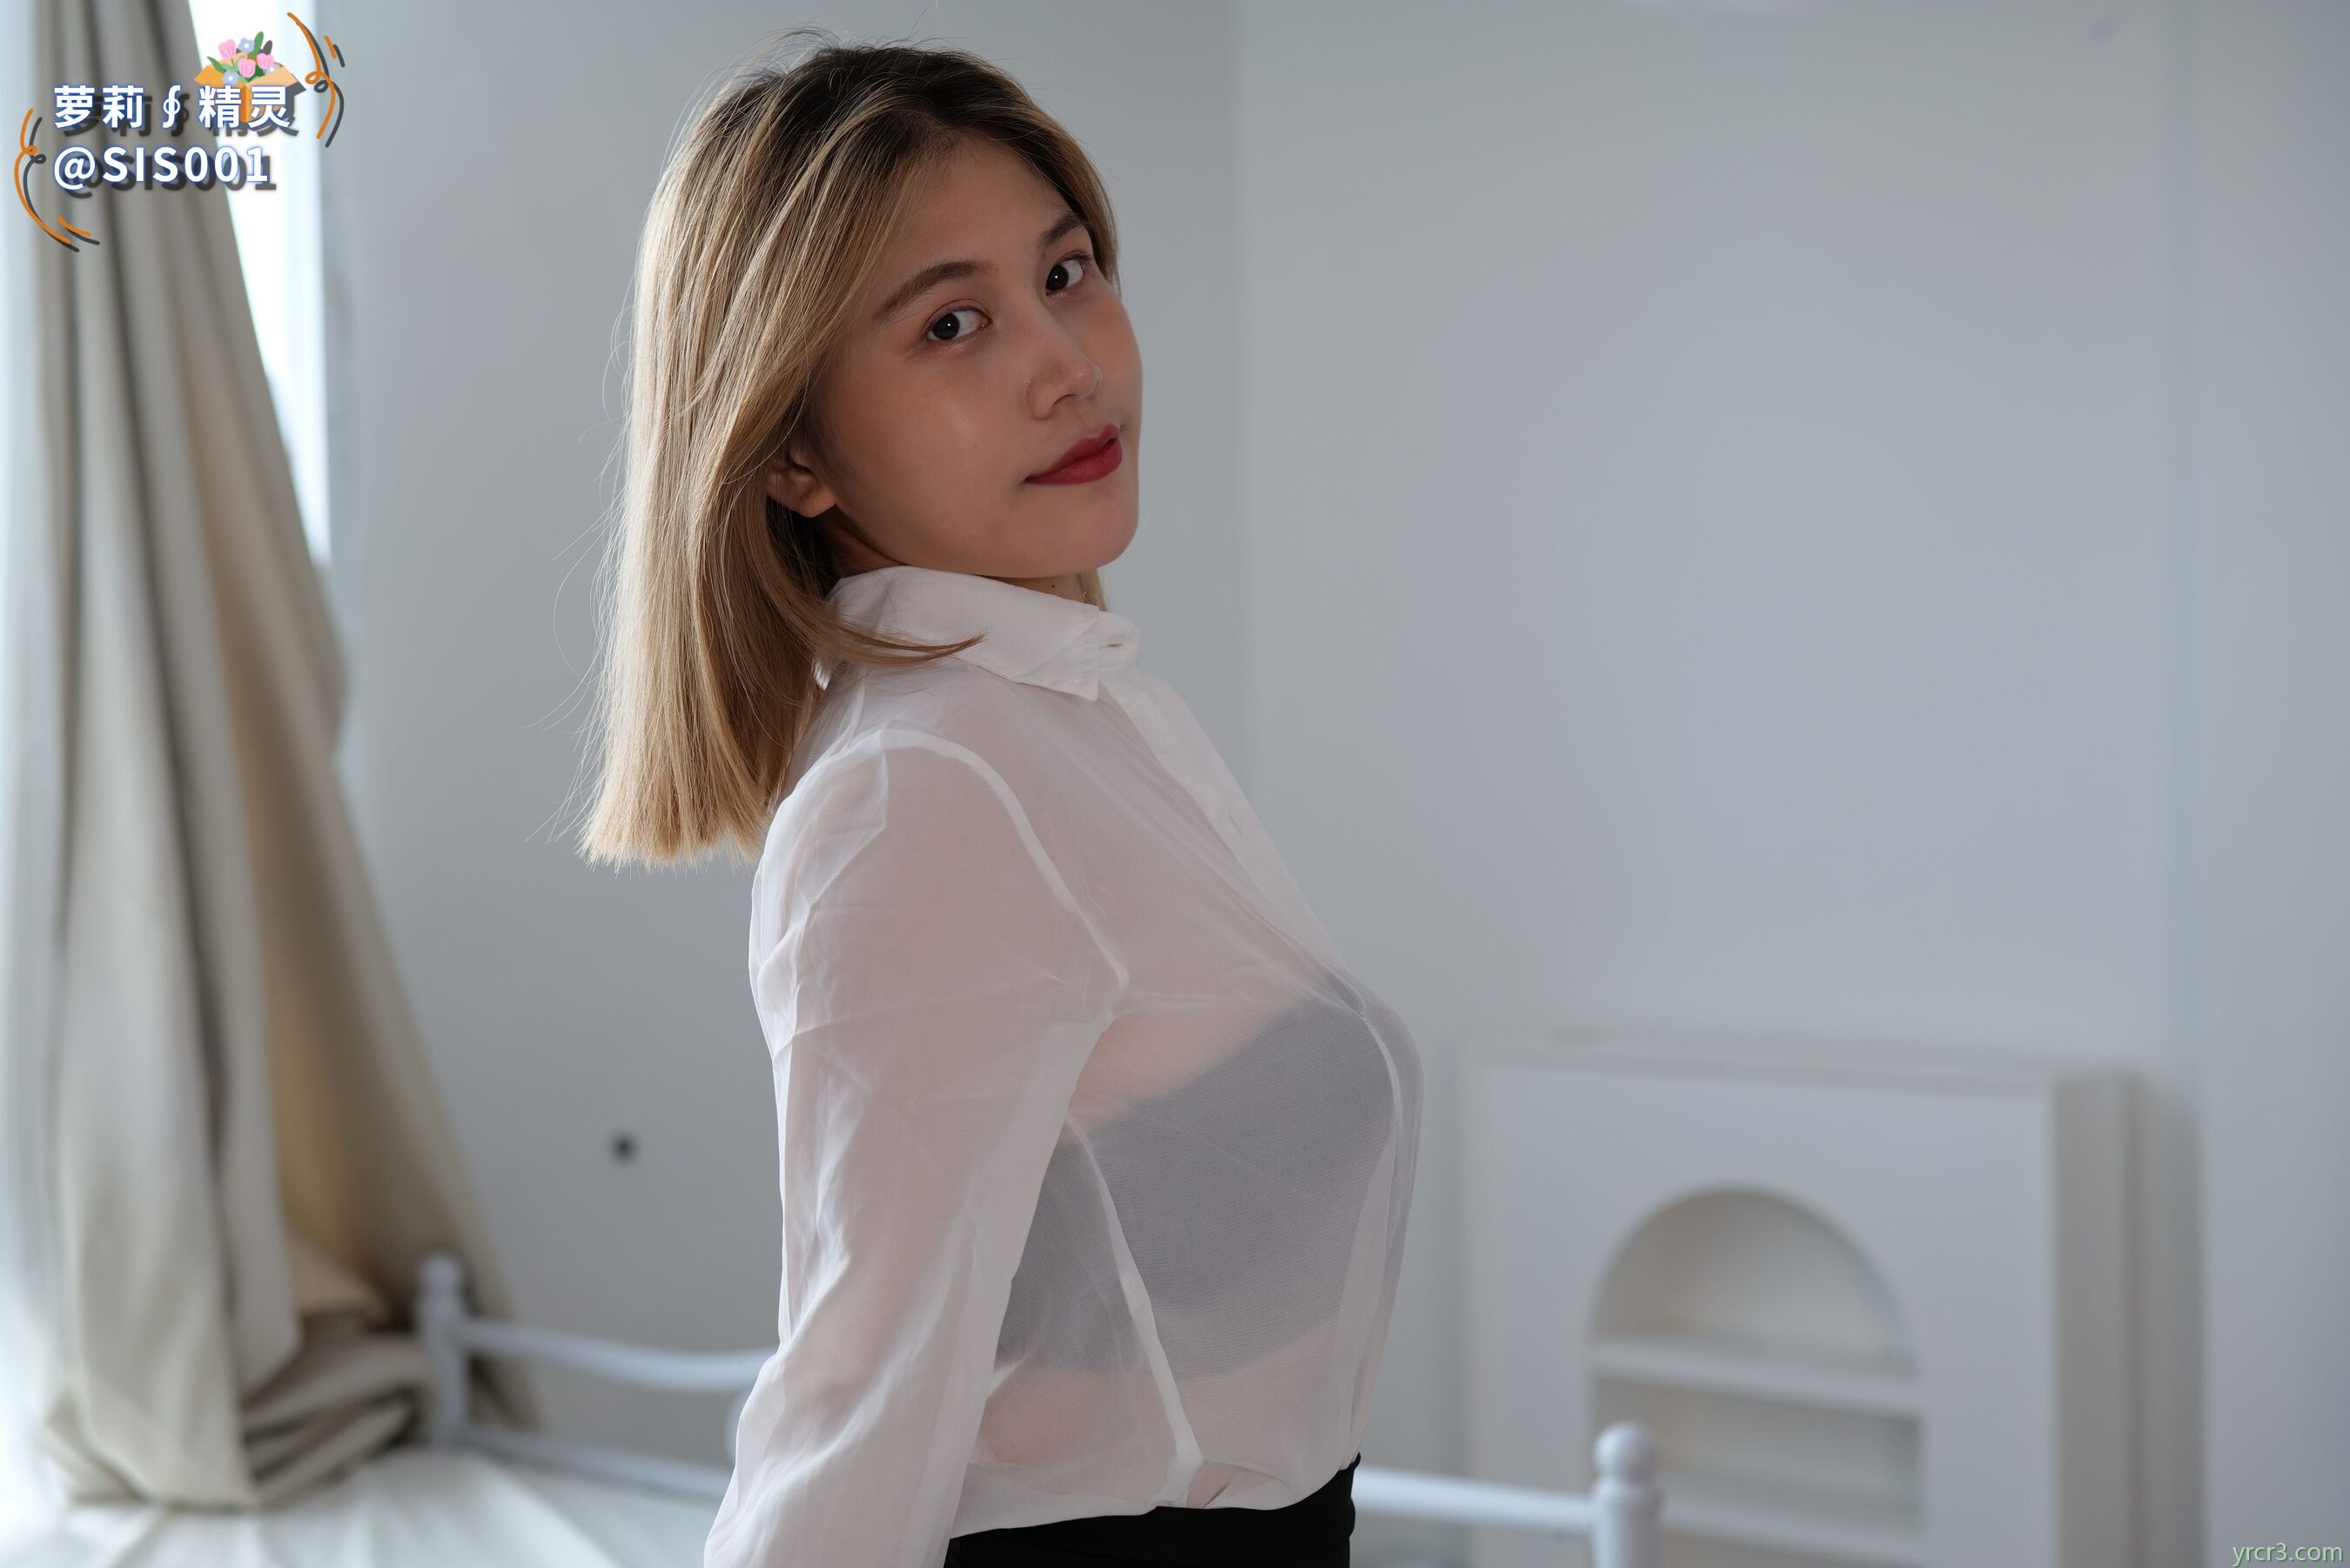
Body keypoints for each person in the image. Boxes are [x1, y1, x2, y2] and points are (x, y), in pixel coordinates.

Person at [576, 28, 1421, 1568]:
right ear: (795, 454)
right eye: (952, 322)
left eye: (1067, 271)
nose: (1068, 364)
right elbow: (856, 1412)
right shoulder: (926, 788)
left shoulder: (1082, 718)